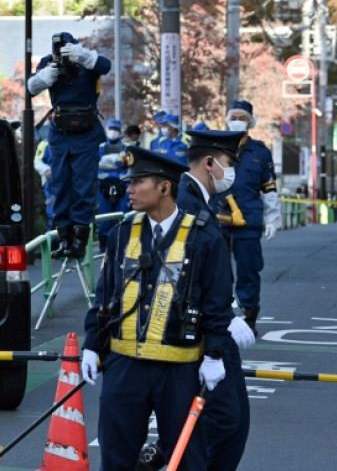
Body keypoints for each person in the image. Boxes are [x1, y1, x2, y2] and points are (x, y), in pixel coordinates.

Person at [80, 146, 234, 471]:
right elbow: (104, 295)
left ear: (164, 187)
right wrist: (92, 345)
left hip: (179, 370)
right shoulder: (122, 233)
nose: (129, 189)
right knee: (115, 457)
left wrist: (215, 354)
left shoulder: (205, 237)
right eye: (129, 182)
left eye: (138, 182)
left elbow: (217, 303)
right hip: (125, 365)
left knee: (187, 458)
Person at [176, 129, 254, 471]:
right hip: (202, 331)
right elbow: (184, 277)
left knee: (231, 420)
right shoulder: (184, 203)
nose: (231, 171)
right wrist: (221, 325)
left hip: (217, 324)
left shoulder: (204, 201)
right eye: (227, 163)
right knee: (220, 422)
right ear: (209, 163)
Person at [28, 32, 112, 259]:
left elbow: (105, 66)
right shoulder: (49, 62)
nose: (62, 54)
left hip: (86, 132)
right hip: (61, 132)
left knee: (84, 187)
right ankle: (63, 238)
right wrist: (45, 76)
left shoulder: (87, 61)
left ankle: (80, 241)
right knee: (60, 185)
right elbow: (30, 88)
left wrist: (83, 56)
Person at [212, 99, 280, 336]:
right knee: (216, 271)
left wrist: (274, 219)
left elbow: (269, 188)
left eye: (243, 118)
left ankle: (249, 317)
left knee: (249, 271)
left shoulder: (260, 152)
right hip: (217, 219)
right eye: (234, 117)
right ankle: (219, 315)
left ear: (251, 122)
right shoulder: (213, 147)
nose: (237, 122)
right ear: (226, 119)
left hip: (248, 221)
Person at [97, 119, 130, 252]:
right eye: (111, 129)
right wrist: (117, 161)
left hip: (122, 185)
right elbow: (98, 164)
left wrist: (110, 162)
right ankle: (103, 243)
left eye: (116, 130)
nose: (113, 132)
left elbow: (126, 164)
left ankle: (121, 243)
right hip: (103, 185)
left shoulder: (127, 147)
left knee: (122, 215)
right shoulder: (100, 147)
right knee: (103, 216)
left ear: (120, 131)